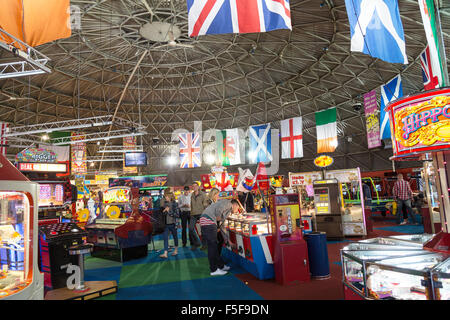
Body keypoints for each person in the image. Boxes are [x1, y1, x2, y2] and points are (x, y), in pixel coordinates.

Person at [200, 199, 241, 276]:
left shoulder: (227, 211)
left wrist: (228, 241)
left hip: (207, 221)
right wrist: (218, 219)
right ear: (235, 205)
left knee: (214, 245)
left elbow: (222, 227)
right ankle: (214, 269)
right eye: (238, 208)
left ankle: (220, 266)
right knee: (212, 246)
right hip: (208, 221)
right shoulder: (228, 203)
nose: (237, 210)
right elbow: (219, 212)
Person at [189, 182, 209, 250]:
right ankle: (197, 243)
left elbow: (206, 204)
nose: (194, 187)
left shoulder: (203, 194)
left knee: (203, 230)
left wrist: (205, 212)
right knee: (191, 229)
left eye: (195, 186)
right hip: (193, 214)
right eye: (193, 186)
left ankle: (204, 245)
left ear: (198, 187)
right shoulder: (191, 194)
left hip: (201, 213)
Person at [159, 191, 179, 258]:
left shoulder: (175, 204)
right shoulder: (165, 204)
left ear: (170, 197)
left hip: (173, 223)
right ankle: (165, 253)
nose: (165, 197)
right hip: (166, 224)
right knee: (165, 238)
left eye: (166, 196)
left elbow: (177, 214)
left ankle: (176, 250)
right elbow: (163, 214)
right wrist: (164, 211)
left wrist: (169, 211)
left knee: (175, 237)